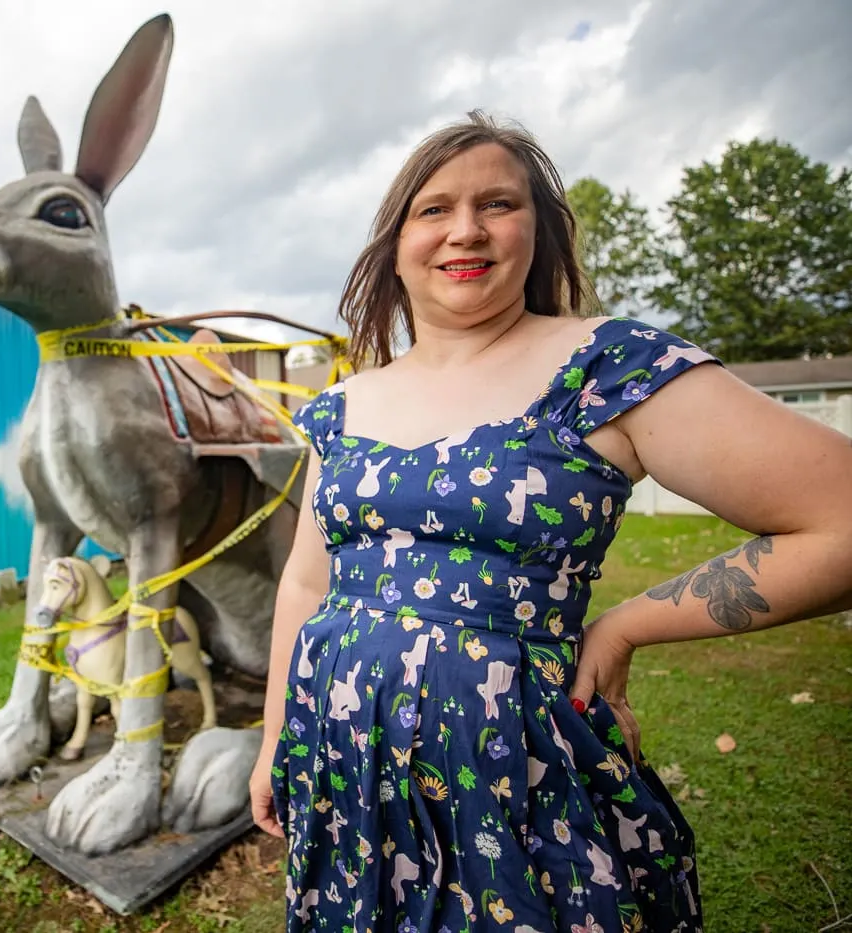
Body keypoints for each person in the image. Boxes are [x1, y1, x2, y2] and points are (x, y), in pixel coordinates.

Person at [247, 109, 852, 932]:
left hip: (519, 777)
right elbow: (308, 579)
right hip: (348, 765)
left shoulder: (607, 367)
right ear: (394, 242)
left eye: (498, 204)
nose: (466, 229)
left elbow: (839, 519)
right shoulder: (340, 406)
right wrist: (276, 734)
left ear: (541, 231)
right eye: (434, 208)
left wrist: (628, 624)